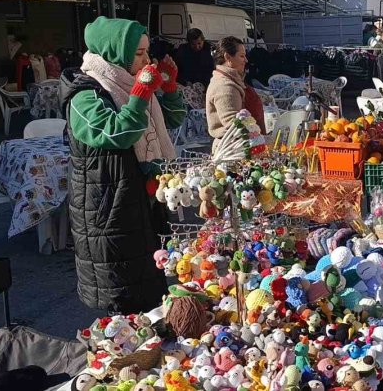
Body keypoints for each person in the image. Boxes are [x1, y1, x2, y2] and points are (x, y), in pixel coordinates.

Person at [63, 17, 186, 313]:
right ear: (115, 53)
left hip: (139, 200)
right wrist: (141, 93)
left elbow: (175, 118)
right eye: (139, 54)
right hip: (110, 210)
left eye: (147, 52)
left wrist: (168, 87)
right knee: (125, 296)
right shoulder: (85, 95)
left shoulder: (129, 83)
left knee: (153, 285)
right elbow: (120, 133)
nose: (147, 60)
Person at [207, 37, 262, 152]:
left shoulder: (232, 80)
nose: (246, 60)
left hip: (238, 146)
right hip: (233, 150)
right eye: (242, 56)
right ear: (228, 57)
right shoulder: (225, 86)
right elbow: (234, 124)